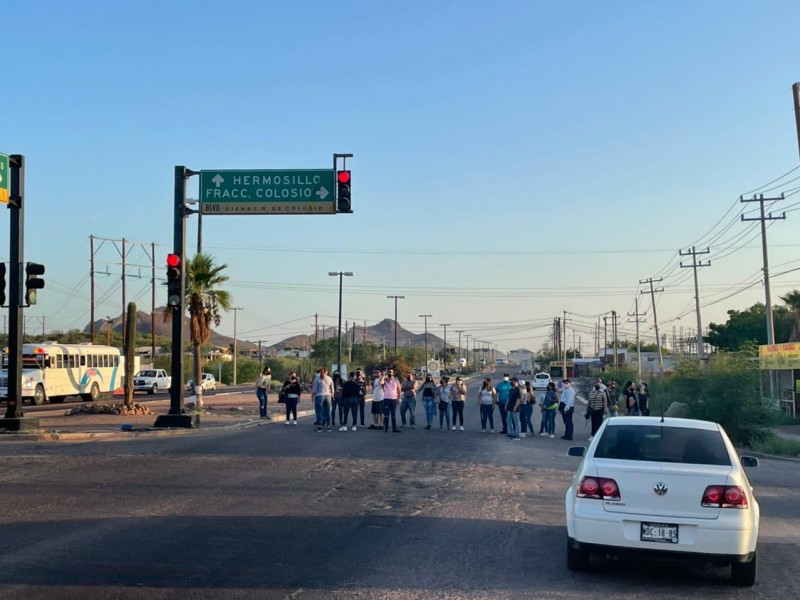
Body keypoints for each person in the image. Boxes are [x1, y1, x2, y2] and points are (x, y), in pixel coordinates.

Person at [312, 367, 334, 432]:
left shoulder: (317, 378)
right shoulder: (329, 378)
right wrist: (333, 395)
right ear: (326, 372)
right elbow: (332, 388)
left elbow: (315, 388)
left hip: (319, 396)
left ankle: (320, 427)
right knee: (327, 412)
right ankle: (328, 427)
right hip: (328, 396)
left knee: (319, 412)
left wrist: (312, 396)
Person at [381, 368, 402, 433]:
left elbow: (399, 390)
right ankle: (386, 428)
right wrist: (384, 375)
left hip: (394, 399)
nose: (390, 373)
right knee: (386, 414)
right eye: (389, 372)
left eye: (391, 372)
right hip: (386, 398)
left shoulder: (396, 380)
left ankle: (394, 428)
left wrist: (399, 398)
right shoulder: (385, 379)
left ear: (393, 373)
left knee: (393, 415)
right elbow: (380, 382)